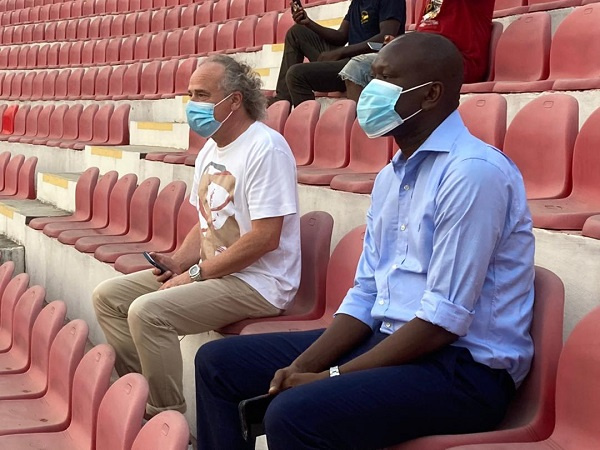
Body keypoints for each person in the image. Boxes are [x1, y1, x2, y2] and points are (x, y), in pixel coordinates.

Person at [195, 32, 535, 450]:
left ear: (430, 94)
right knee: (219, 364)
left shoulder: (473, 174)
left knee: (295, 413)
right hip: (392, 341)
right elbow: (366, 293)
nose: (366, 93)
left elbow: (443, 321)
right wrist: (302, 365)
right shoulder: (392, 177)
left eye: (384, 80)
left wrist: (332, 376)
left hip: (464, 370)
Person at [92, 55, 301, 419]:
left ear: (234, 100)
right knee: (108, 298)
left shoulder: (266, 148)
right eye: (191, 94)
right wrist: (177, 262)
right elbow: (206, 220)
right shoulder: (211, 148)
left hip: (260, 283)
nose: (193, 105)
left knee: (148, 312)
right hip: (217, 272)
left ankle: (165, 417)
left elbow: (266, 237)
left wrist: (196, 274)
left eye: (202, 95)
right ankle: (139, 397)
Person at [340, 0, 496, 102]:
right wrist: (403, 44)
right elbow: (428, 32)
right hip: (427, 54)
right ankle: (367, 137)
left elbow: (439, 39)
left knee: (362, 67)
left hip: (458, 59)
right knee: (361, 67)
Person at [270, 0, 405, 106]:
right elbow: (341, 36)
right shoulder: (357, 3)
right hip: (348, 58)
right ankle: (282, 99)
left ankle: (305, 125)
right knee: (297, 32)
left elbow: (386, 38)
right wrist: (308, 23)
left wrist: (341, 52)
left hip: (367, 63)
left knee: (296, 74)